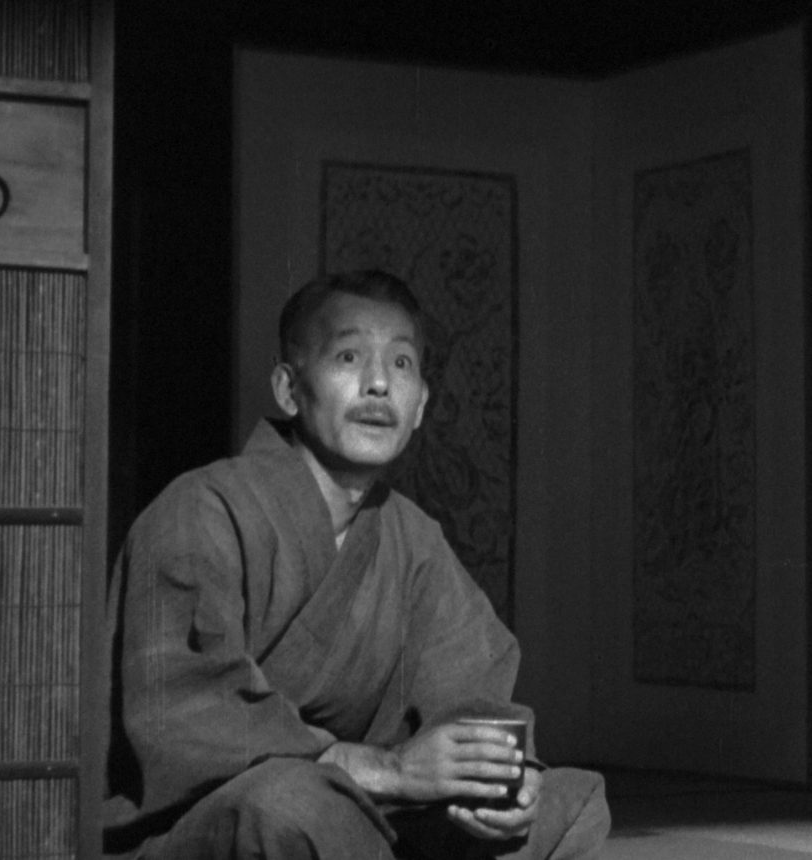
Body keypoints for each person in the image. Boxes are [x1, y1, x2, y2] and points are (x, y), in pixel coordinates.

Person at [103, 269, 610, 859]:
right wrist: (389, 771)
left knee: (571, 801)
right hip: (216, 819)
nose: (379, 384)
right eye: (349, 357)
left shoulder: (412, 540)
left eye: (401, 363)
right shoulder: (202, 511)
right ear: (289, 389)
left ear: (420, 405)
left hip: (361, 818)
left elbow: (471, 693)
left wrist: (500, 780)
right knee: (294, 805)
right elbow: (189, 713)